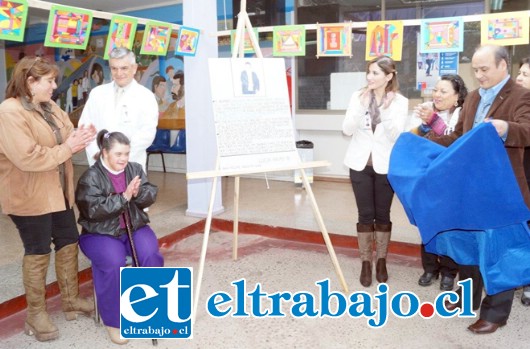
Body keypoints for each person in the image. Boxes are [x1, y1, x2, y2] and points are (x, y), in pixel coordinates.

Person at [427, 45, 530, 334]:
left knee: (499, 251)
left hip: (501, 188)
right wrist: (428, 141)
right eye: (475, 69)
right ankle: (466, 298)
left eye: (485, 69)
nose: (479, 74)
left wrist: (504, 127)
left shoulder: (522, 95)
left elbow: (527, 129)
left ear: (503, 66)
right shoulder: (472, 97)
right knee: (469, 243)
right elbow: (460, 136)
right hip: (469, 187)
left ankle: (495, 315)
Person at [0, 56, 96, 342]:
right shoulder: (9, 112)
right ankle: (36, 314)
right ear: (30, 82)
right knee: (38, 249)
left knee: (68, 241)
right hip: (29, 194)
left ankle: (71, 301)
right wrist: (68, 146)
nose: (55, 86)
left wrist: (81, 136)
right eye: (50, 81)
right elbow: (26, 157)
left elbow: (67, 135)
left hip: (58, 191)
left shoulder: (50, 106)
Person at [75, 129, 163, 344]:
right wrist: (123, 197)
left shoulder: (134, 168)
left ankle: (149, 309)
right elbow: (93, 211)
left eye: (126, 154)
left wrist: (138, 193)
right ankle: (114, 322)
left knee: (150, 254)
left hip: (133, 227)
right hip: (100, 233)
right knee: (113, 262)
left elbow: (150, 195)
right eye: (118, 154)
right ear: (104, 152)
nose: (124, 159)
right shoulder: (91, 177)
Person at [342, 55, 409, 287]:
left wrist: (386, 108)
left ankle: (381, 260)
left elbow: (395, 135)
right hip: (359, 165)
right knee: (364, 214)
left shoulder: (400, 101)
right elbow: (347, 129)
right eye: (368, 72)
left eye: (375, 73)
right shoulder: (357, 97)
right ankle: (365, 262)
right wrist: (362, 106)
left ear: (389, 76)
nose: (370, 77)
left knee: (382, 215)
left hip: (385, 166)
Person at [411, 74, 468, 290]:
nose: (437, 95)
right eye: (435, 90)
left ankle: (448, 271)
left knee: (449, 227)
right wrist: (424, 127)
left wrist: (433, 123)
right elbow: (412, 139)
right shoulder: (425, 111)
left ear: (457, 97)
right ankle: (429, 268)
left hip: (453, 180)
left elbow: (453, 141)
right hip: (427, 177)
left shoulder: (463, 115)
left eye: (443, 91)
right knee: (427, 223)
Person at [79, 47, 158, 173]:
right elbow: (85, 127)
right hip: (100, 164)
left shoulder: (146, 96)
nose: (119, 73)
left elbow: (147, 133)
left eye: (124, 68)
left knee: (129, 193)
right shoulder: (97, 94)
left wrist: (119, 157)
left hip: (131, 164)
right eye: (114, 68)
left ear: (134, 68)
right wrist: (99, 155)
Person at [515, 57, 530, 307]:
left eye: (526, 74)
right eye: (520, 73)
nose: (519, 78)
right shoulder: (515, 105)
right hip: (517, 181)